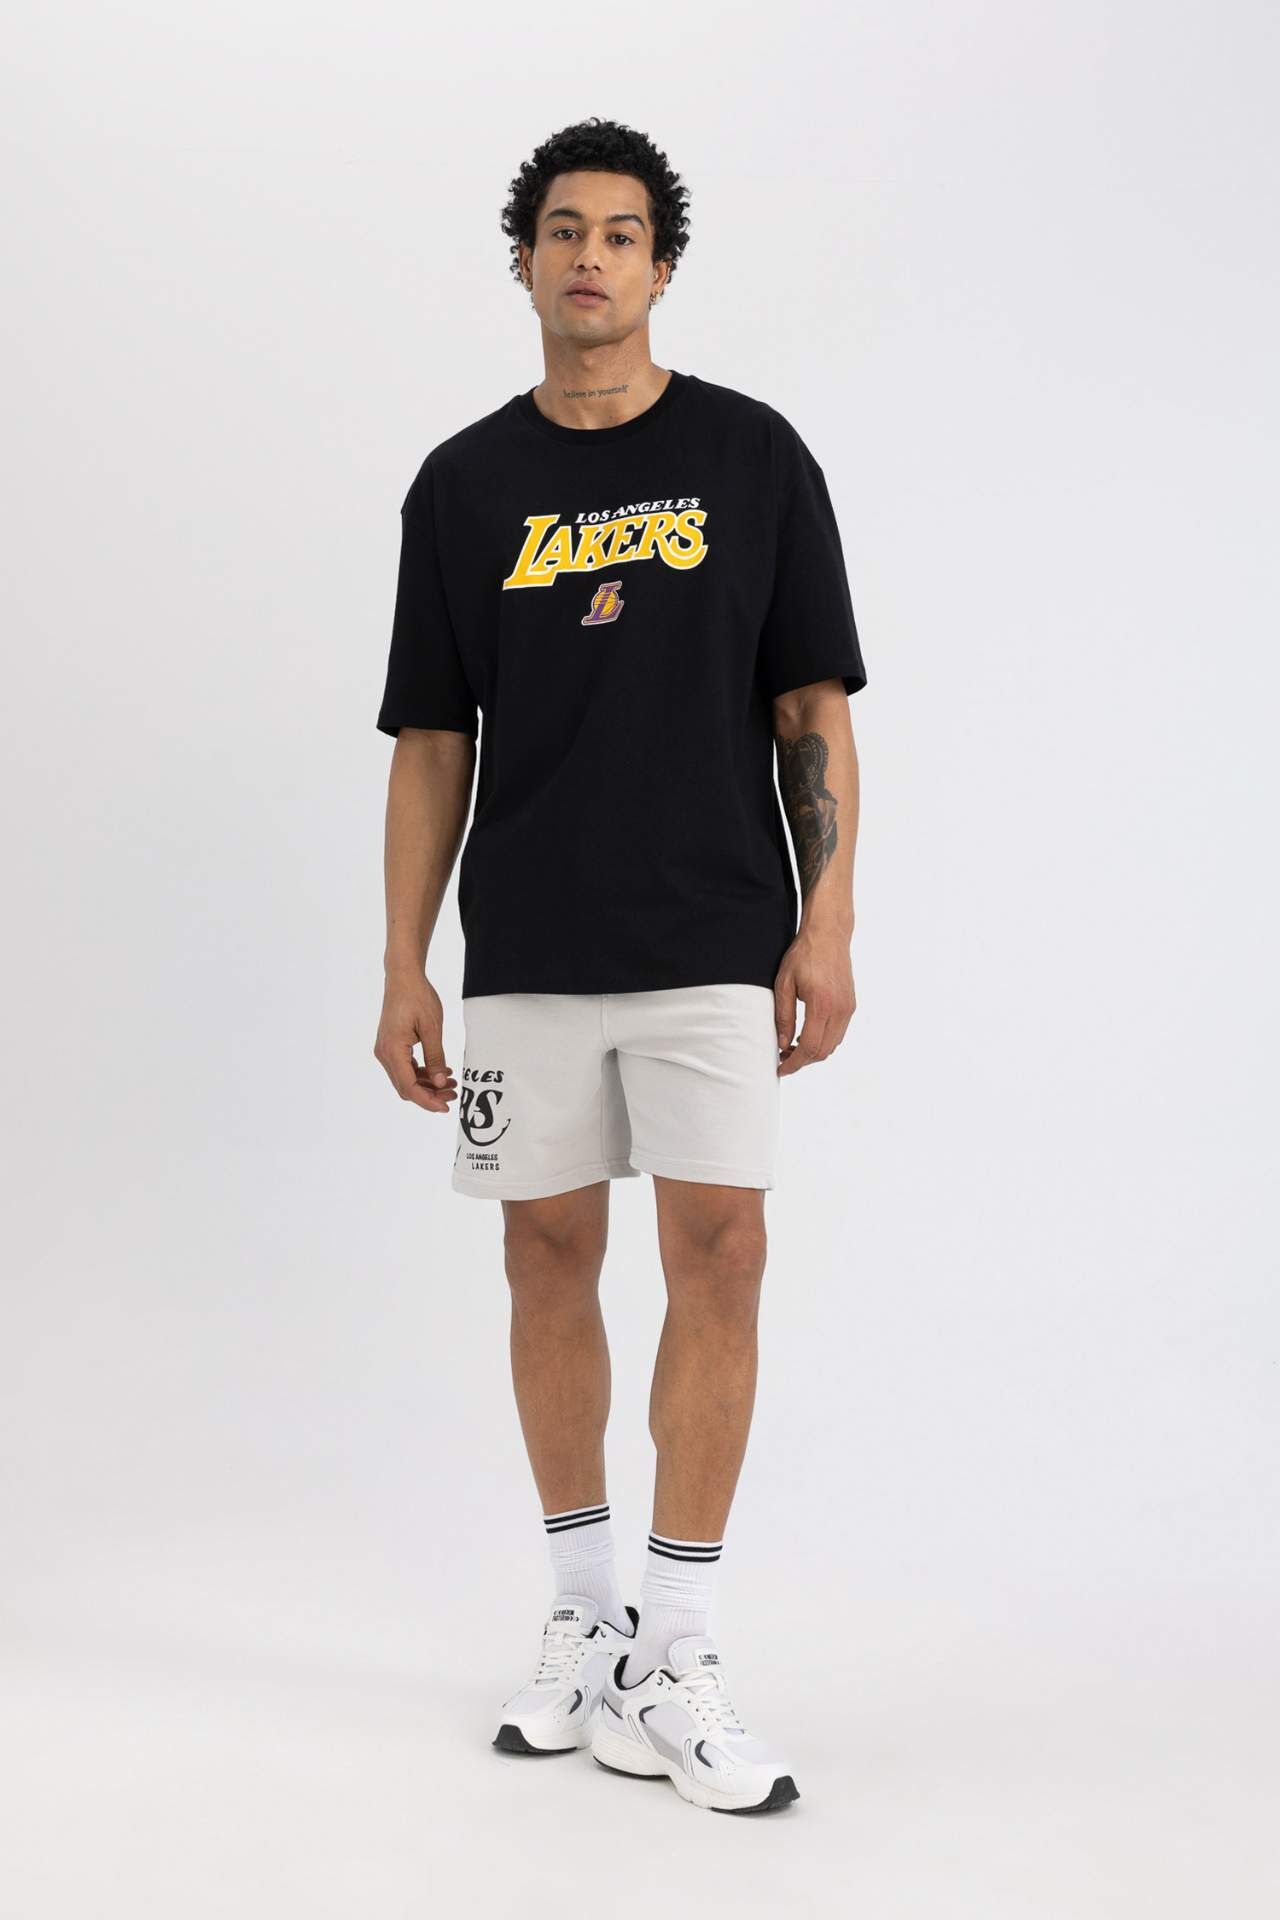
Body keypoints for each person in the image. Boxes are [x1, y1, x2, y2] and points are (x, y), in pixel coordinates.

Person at [374, 116, 865, 1816]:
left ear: (662, 268)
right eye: (564, 230)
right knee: (545, 1258)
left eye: (623, 234)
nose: (591, 257)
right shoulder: (463, 485)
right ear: (526, 261)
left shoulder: (752, 457)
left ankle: (682, 1644)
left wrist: (826, 920)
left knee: (722, 1250)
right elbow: (432, 739)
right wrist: (404, 960)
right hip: (526, 945)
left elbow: (810, 707)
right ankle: (586, 1620)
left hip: (713, 933)